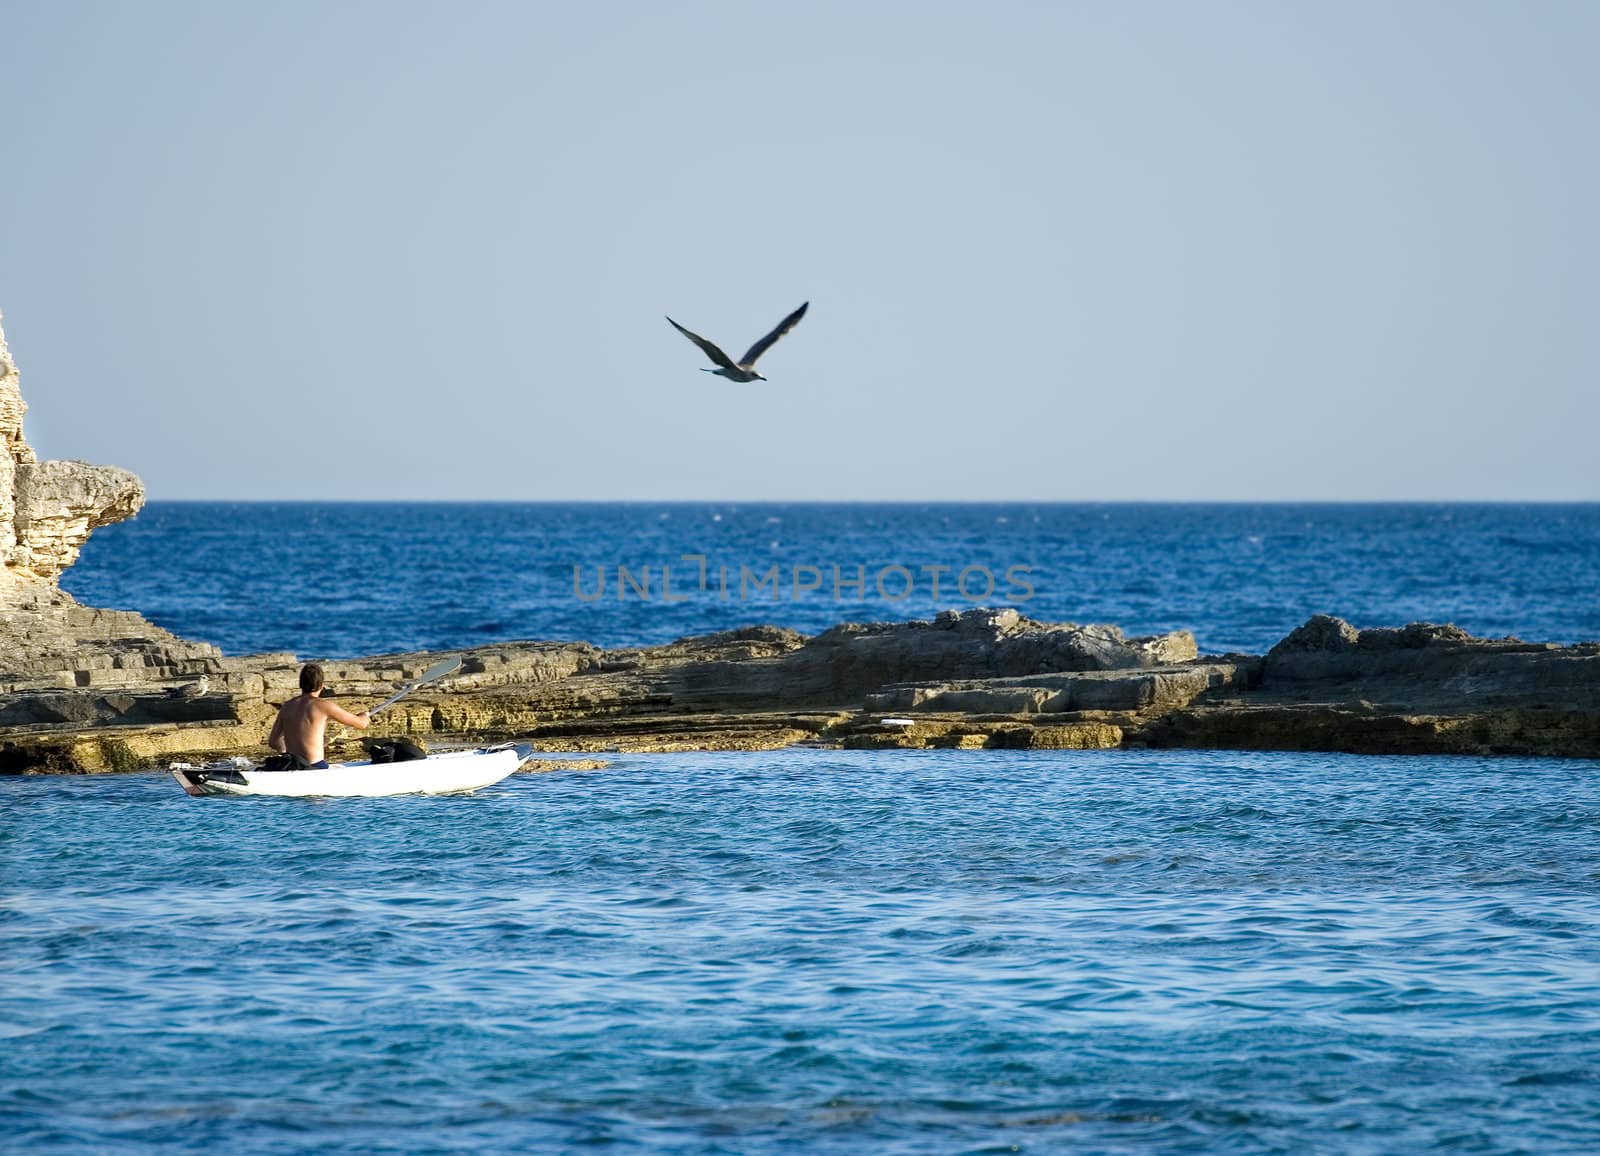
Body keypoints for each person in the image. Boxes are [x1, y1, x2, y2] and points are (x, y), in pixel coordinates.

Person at [265, 663, 371, 769]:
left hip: (292, 765)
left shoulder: (287, 706)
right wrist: (365, 715)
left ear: (301, 683)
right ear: (321, 685)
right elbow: (361, 724)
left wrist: (289, 752)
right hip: (315, 766)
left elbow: (274, 742)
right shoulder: (324, 706)